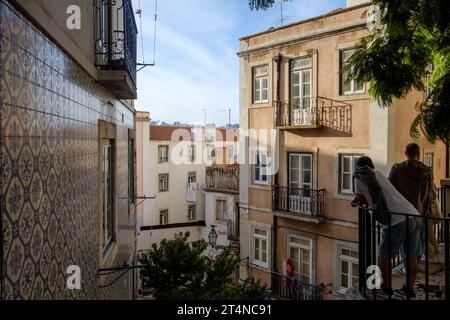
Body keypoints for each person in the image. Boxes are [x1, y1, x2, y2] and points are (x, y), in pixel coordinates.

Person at [352, 156, 422, 298]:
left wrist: (355, 201)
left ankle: (386, 287)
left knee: (384, 254)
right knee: (411, 255)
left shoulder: (359, 176)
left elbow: (362, 198)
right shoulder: (379, 174)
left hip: (396, 220)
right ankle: (409, 289)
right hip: (413, 215)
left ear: (358, 167)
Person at [389, 143, 442, 264]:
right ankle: (414, 267)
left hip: (403, 214)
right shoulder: (427, 171)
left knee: (405, 245)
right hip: (421, 213)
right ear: (418, 155)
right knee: (418, 245)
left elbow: (390, 189)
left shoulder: (397, 169)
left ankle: (407, 268)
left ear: (405, 153)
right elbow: (431, 194)